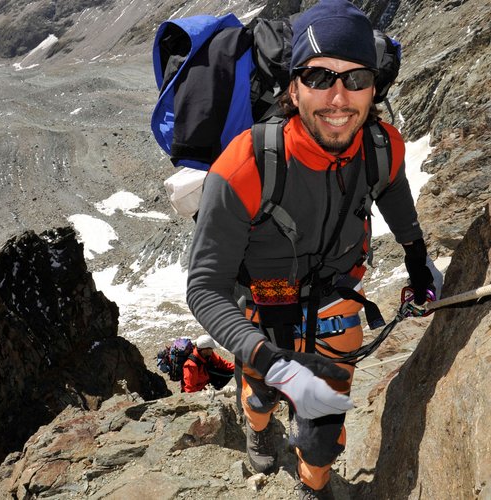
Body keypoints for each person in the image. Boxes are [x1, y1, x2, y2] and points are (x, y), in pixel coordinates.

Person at [186, 1, 439, 497]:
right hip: (263, 305)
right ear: (293, 87)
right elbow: (205, 288)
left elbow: (393, 192)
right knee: (262, 393)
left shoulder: (382, 146)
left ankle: (314, 486)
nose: (338, 98)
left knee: (323, 431)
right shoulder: (246, 164)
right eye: (319, 77)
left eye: (356, 78)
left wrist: (417, 260)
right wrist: (269, 360)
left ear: (374, 87)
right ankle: (259, 426)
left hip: (335, 301)